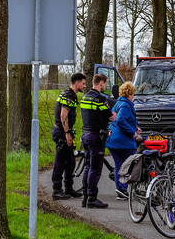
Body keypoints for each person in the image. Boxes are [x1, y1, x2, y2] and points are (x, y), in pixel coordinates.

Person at [79, 74, 114, 208]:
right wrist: (113, 115)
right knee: (95, 168)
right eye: (105, 83)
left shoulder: (85, 97)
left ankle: (85, 197)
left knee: (88, 166)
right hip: (96, 136)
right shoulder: (99, 99)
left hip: (86, 134)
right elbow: (111, 117)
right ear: (101, 83)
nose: (105, 86)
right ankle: (92, 199)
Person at [52, 72, 87, 200]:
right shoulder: (69, 95)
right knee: (60, 162)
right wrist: (67, 133)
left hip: (65, 131)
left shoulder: (69, 94)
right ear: (76, 83)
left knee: (71, 162)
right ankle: (57, 190)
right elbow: (63, 116)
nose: (84, 86)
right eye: (83, 83)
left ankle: (69, 188)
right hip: (62, 132)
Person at [107, 81, 141, 200]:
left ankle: (120, 189)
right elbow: (121, 120)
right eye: (133, 94)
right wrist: (133, 133)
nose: (134, 96)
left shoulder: (118, 103)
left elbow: (116, 118)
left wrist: (135, 127)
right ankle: (123, 188)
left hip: (113, 140)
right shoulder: (126, 105)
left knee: (119, 165)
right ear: (130, 94)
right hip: (123, 142)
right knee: (129, 165)